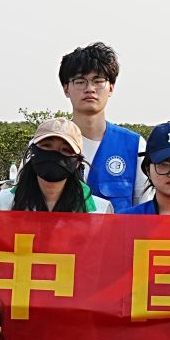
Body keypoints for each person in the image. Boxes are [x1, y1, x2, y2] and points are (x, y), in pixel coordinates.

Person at [61, 42, 149, 213]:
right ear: (66, 88)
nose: (90, 89)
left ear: (111, 87)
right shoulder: (45, 143)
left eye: (98, 81)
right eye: (80, 81)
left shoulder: (135, 145)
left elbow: (145, 210)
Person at [0, 117, 114, 212]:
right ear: (32, 152)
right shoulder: (4, 202)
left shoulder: (100, 211)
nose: (54, 154)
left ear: (77, 162)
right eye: (47, 145)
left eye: (66, 150)